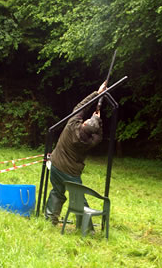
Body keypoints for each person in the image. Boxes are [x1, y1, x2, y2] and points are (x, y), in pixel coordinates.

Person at [45, 81, 107, 225]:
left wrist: (96, 93)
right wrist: (98, 120)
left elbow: (80, 107)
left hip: (55, 165)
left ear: (84, 124)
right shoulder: (90, 141)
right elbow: (99, 137)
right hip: (71, 173)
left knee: (57, 191)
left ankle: (50, 219)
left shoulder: (72, 125)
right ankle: (84, 226)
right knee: (79, 198)